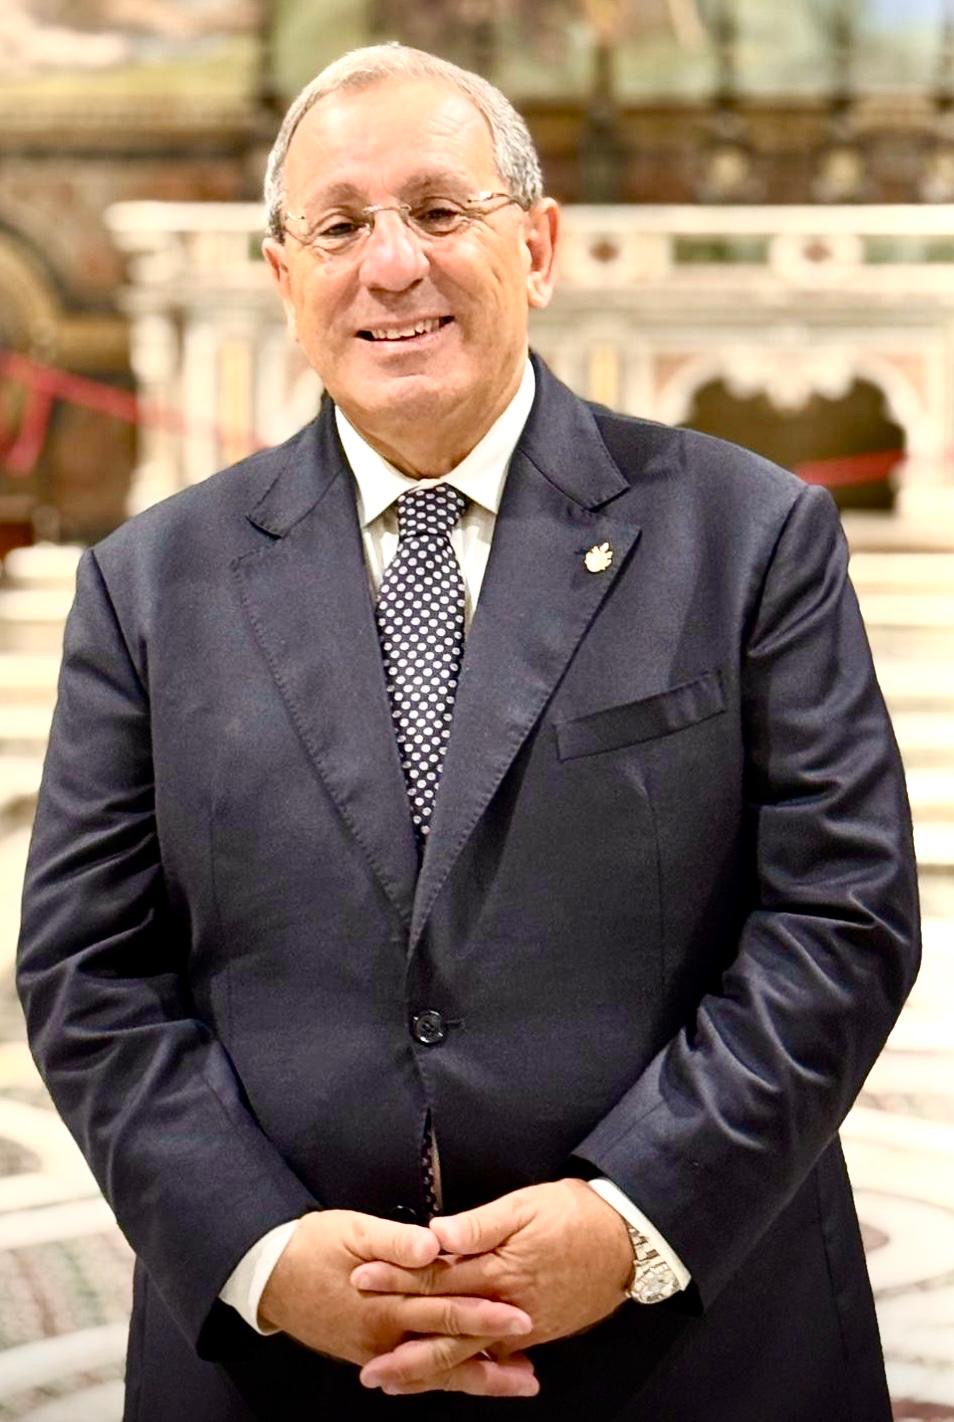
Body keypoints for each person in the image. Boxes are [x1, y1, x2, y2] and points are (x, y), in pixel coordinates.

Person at [17, 42, 919, 1422]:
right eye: (339, 227)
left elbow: (840, 916)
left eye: (440, 211)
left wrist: (632, 1217)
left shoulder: (748, 537)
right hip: (281, 1367)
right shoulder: (147, 586)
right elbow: (87, 968)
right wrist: (260, 1250)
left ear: (536, 246)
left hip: (693, 1346)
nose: (393, 266)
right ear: (283, 277)